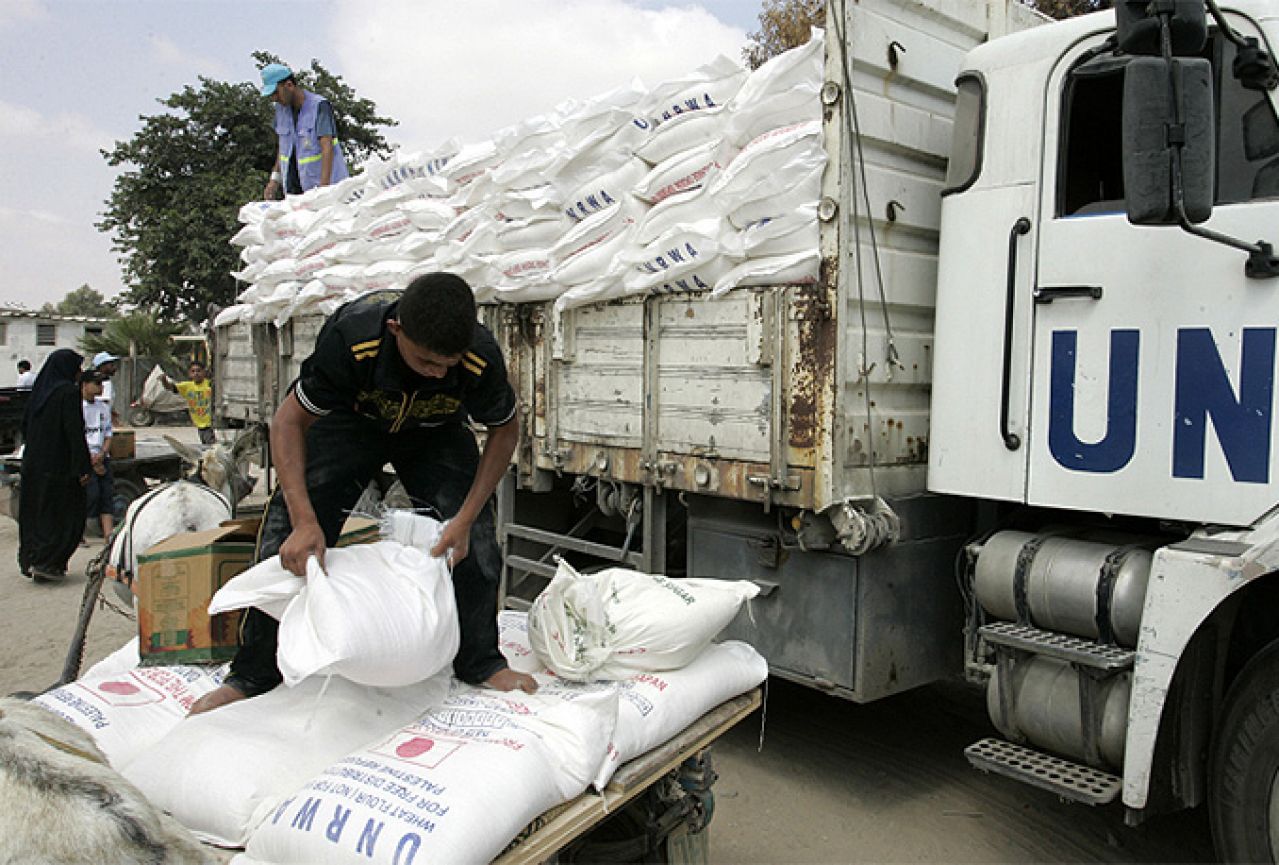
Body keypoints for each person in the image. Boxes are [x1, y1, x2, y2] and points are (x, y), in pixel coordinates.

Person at [190, 273, 537, 714]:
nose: (437, 372)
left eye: (447, 364)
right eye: (426, 361)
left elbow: (505, 430)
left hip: (435, 433)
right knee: (288, 541)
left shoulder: (478, 357)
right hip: (351, 425)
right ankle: (253, 672)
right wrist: (305, 520)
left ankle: (482, 662)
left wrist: (465, 519)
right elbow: (288, 422)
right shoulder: (354, 339)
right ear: (397, 331)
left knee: (479, 546)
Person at [17, 350, 92, 581]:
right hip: (59, 468)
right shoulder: (68, 393)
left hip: (34, 465)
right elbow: (73, 432)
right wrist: (82, 467)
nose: (80, 373)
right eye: (77, 368)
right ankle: (49, 562)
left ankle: (33, 558)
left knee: (36, 512)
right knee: (63, 513)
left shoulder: (40, 393)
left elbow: (25, 427)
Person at [259, 63, 349, 199]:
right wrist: (274, 179)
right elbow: (283, 147)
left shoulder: (319, 106)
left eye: (276, 93)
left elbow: (327, 147)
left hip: (324, 189)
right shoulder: (281, 110)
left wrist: (323, 191)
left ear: (289, 85)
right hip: (295, 191)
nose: (274, 98)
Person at [81, 370, 114, 543]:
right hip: (86, 458)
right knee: (89, 496)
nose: (100, 388)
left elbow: (108, 434)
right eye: (96, 384)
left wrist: (102, 454)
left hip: (101, 457)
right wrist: (91, 459)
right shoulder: (78, 408)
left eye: (101, 384)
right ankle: (79, 533)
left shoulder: (103, 408)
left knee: (106, 494)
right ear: (84, 385)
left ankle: (108, 534)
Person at [161, 361, 216, 445]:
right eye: (193, 371)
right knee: (206, 445)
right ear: (190, 374)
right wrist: (163, 380)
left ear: (203, 372)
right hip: (199, 423)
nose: (196, 373)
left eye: (198, 371)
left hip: (210, 423)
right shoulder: (187, 386)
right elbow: (170, 387)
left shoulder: (209, 384)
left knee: (211, 446)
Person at [91, 351, 120, 423]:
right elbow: (103, 402)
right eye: (111, 365)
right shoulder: (103, 381)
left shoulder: (104, 380)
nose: (114, 368)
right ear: (102, 366)